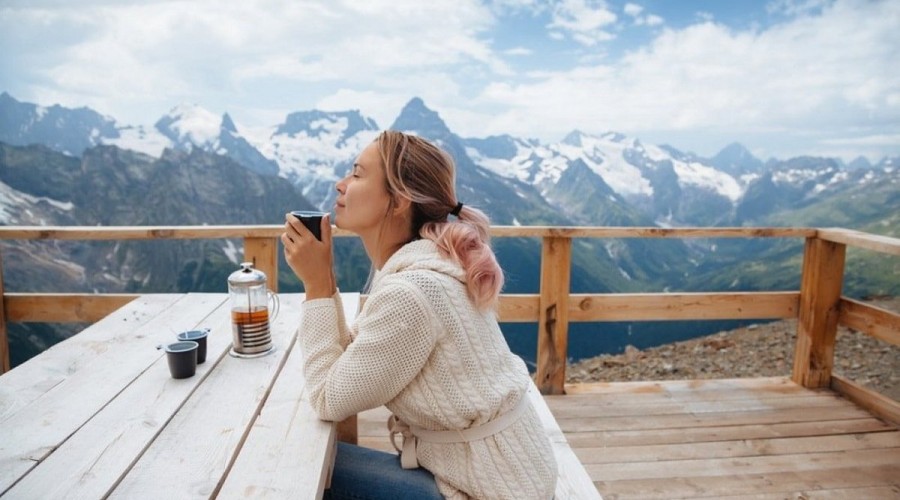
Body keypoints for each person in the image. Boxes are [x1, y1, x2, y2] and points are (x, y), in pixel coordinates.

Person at [281, 130, 558, 499]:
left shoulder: (411, 293)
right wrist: (324, 279)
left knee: (297, 467)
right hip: (508, 473)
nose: (341, 184)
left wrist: (316, 286)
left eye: (358, 174)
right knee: (312, 461)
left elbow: (328, 399)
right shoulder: (425, 264)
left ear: (398, 201)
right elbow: (357, 356)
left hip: (486, 489)